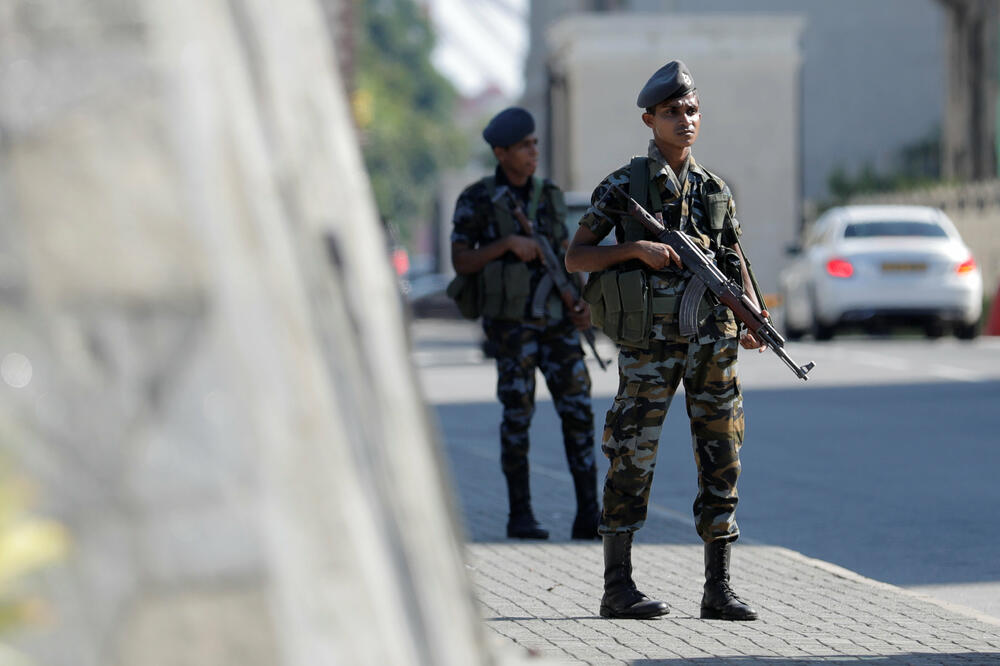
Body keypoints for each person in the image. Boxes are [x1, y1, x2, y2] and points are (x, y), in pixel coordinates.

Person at [564, 61, 765, 620]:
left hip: (713, 345)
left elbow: (734, 261)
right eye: (673, 112)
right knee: (632, 454)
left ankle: (718, 589)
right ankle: (617, 587)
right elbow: (575, 256)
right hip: (651, 349)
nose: (685, 120)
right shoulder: (624, 186)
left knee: (722, 455)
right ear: (649, 119)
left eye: (692, 110)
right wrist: (634, 250)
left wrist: (751, 314)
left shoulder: (714, 188)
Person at [450, 107, 600, 541]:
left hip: (556, 324)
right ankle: (521, 514)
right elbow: (461, 260)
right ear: (501, 152)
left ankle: (588, 514)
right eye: (524, 146)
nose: (534, 151)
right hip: (511, 328)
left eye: (535, 143)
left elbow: (567, 254)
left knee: (578, 414)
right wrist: (506, 245)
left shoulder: (549, 196)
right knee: (517, 416)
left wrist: (580, 301)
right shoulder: (477, 199)